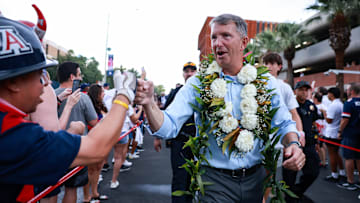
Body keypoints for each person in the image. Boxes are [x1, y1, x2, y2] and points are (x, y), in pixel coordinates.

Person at [134, 14, 305, 202]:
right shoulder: (198, 83)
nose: (217, 43)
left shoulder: (266, 82)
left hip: (256, 180)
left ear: (243, 42)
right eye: (214, 37)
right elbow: (169, 126)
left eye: (226, 36)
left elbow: (284, 123)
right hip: (214, 182)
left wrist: (295, 145)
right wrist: (149, 104)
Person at [0, 16, 136, 202]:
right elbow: (97, 148)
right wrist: (124, 95)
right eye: (39, 74)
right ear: (14, 82)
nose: (46, 83)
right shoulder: (10, 134)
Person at [27, 70, 82, 203]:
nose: (48, 82)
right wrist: (69, 106)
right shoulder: (44, 89)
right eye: (42, 76)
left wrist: (57, 99)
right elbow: (52, 135)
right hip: (38, 165)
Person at [153, 61, 197, 203]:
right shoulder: (176, 93)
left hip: (197, 143)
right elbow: (165, 116)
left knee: (193, 179)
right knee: (180, 177)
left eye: (192, 71)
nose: (189, 74)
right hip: (180, 141)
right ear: (183, 74)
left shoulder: (203, 90)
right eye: (187, 71)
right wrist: (158, 137)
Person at [55, 62, 98, 203]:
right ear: (72, 77)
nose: (81, 78)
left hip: (52, 147)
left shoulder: (49, 95)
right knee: (72, 189)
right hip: (76, 149)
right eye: (79, 75)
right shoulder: (83, 97)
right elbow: (94, 122)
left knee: (50, 191)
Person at [282, 81, 320, 202]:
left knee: (313, 172)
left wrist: (317, 140)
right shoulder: (290, 106)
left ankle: (296, 192)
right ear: (295, 91)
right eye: (301, 89)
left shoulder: (311, 106)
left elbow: (314, 123)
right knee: (289, 177)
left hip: (309, 144)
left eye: (306, 90)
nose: (304, 92)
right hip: (292, 145)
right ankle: (289, 198)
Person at [83, 84, 109, 202]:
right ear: (96, 94)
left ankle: (95, 193)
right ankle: (86, 196)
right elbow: (90, 124)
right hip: (91, 140)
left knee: (98, 167)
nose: (104, 94)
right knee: (90, 169)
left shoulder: (103, 106)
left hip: (102, 140)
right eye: (102, 92)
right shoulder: (89, 106)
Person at [337, 83, 360, 190]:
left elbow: (345, 119)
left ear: (351, 91)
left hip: (350, 134)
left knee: (349, 158)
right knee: (359, 158)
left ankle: (350, 182)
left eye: (348, 90)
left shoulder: (349, 103)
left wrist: (340, 131)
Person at [324, 87, 346, 182]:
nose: (327, 96)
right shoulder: (341, 104)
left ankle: (334, 174)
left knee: (332, 154)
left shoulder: (333, 105)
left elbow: (329, 120)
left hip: (331, 132)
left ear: (331, 94)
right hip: (337, 132)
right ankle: (342, 172)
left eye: (328, 94)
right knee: (336, 153)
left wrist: (324, 113)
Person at [313, 92, 328, 168]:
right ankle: (323, 159)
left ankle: (323, 161)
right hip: (323, 126)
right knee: (322, 144)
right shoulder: (324, 106)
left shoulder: (315, 107)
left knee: (319, 145)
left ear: (315, 99)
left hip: (318, 126)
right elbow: (326, 117)